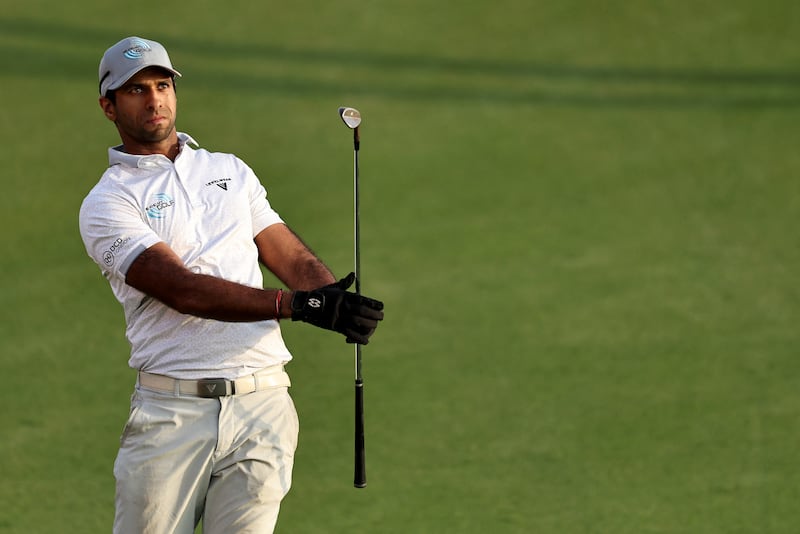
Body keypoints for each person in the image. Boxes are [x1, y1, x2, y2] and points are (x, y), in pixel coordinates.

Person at [79, 36, 384, 533]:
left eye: (162, 85)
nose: (154, 100)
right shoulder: (108, 202)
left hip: (263, 404)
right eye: (135, 90)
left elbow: (284, 250)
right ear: (108, 106)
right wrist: (297, 305)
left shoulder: (229, 171)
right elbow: (182, 289)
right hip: (171, 413)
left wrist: (331, 298)